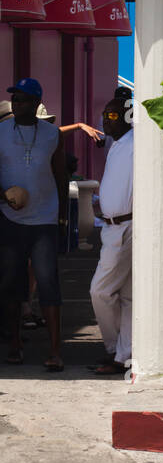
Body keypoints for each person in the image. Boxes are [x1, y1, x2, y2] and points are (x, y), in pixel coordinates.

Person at [0, 78, 67, 369]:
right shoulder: (0, 132)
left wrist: (63, 215)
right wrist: (3, 196)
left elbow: (61, 175)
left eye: (23, 99)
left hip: (44, 220)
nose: (17, 103)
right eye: (14, 99)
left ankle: (54, 351)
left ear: (36, 103)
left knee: (48, 282)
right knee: (12, 285)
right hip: (10, 219)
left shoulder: (52, 134)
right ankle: (15, 345)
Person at [89, 91, 134, 376]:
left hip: (126, 228)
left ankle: (112, 348)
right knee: (128, 298)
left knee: (100, 291)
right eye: (105, 115)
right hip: (112, 227)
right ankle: (123, 354)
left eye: (114, 115)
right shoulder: (116, 144)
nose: (107, 120)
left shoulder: (136, 142)